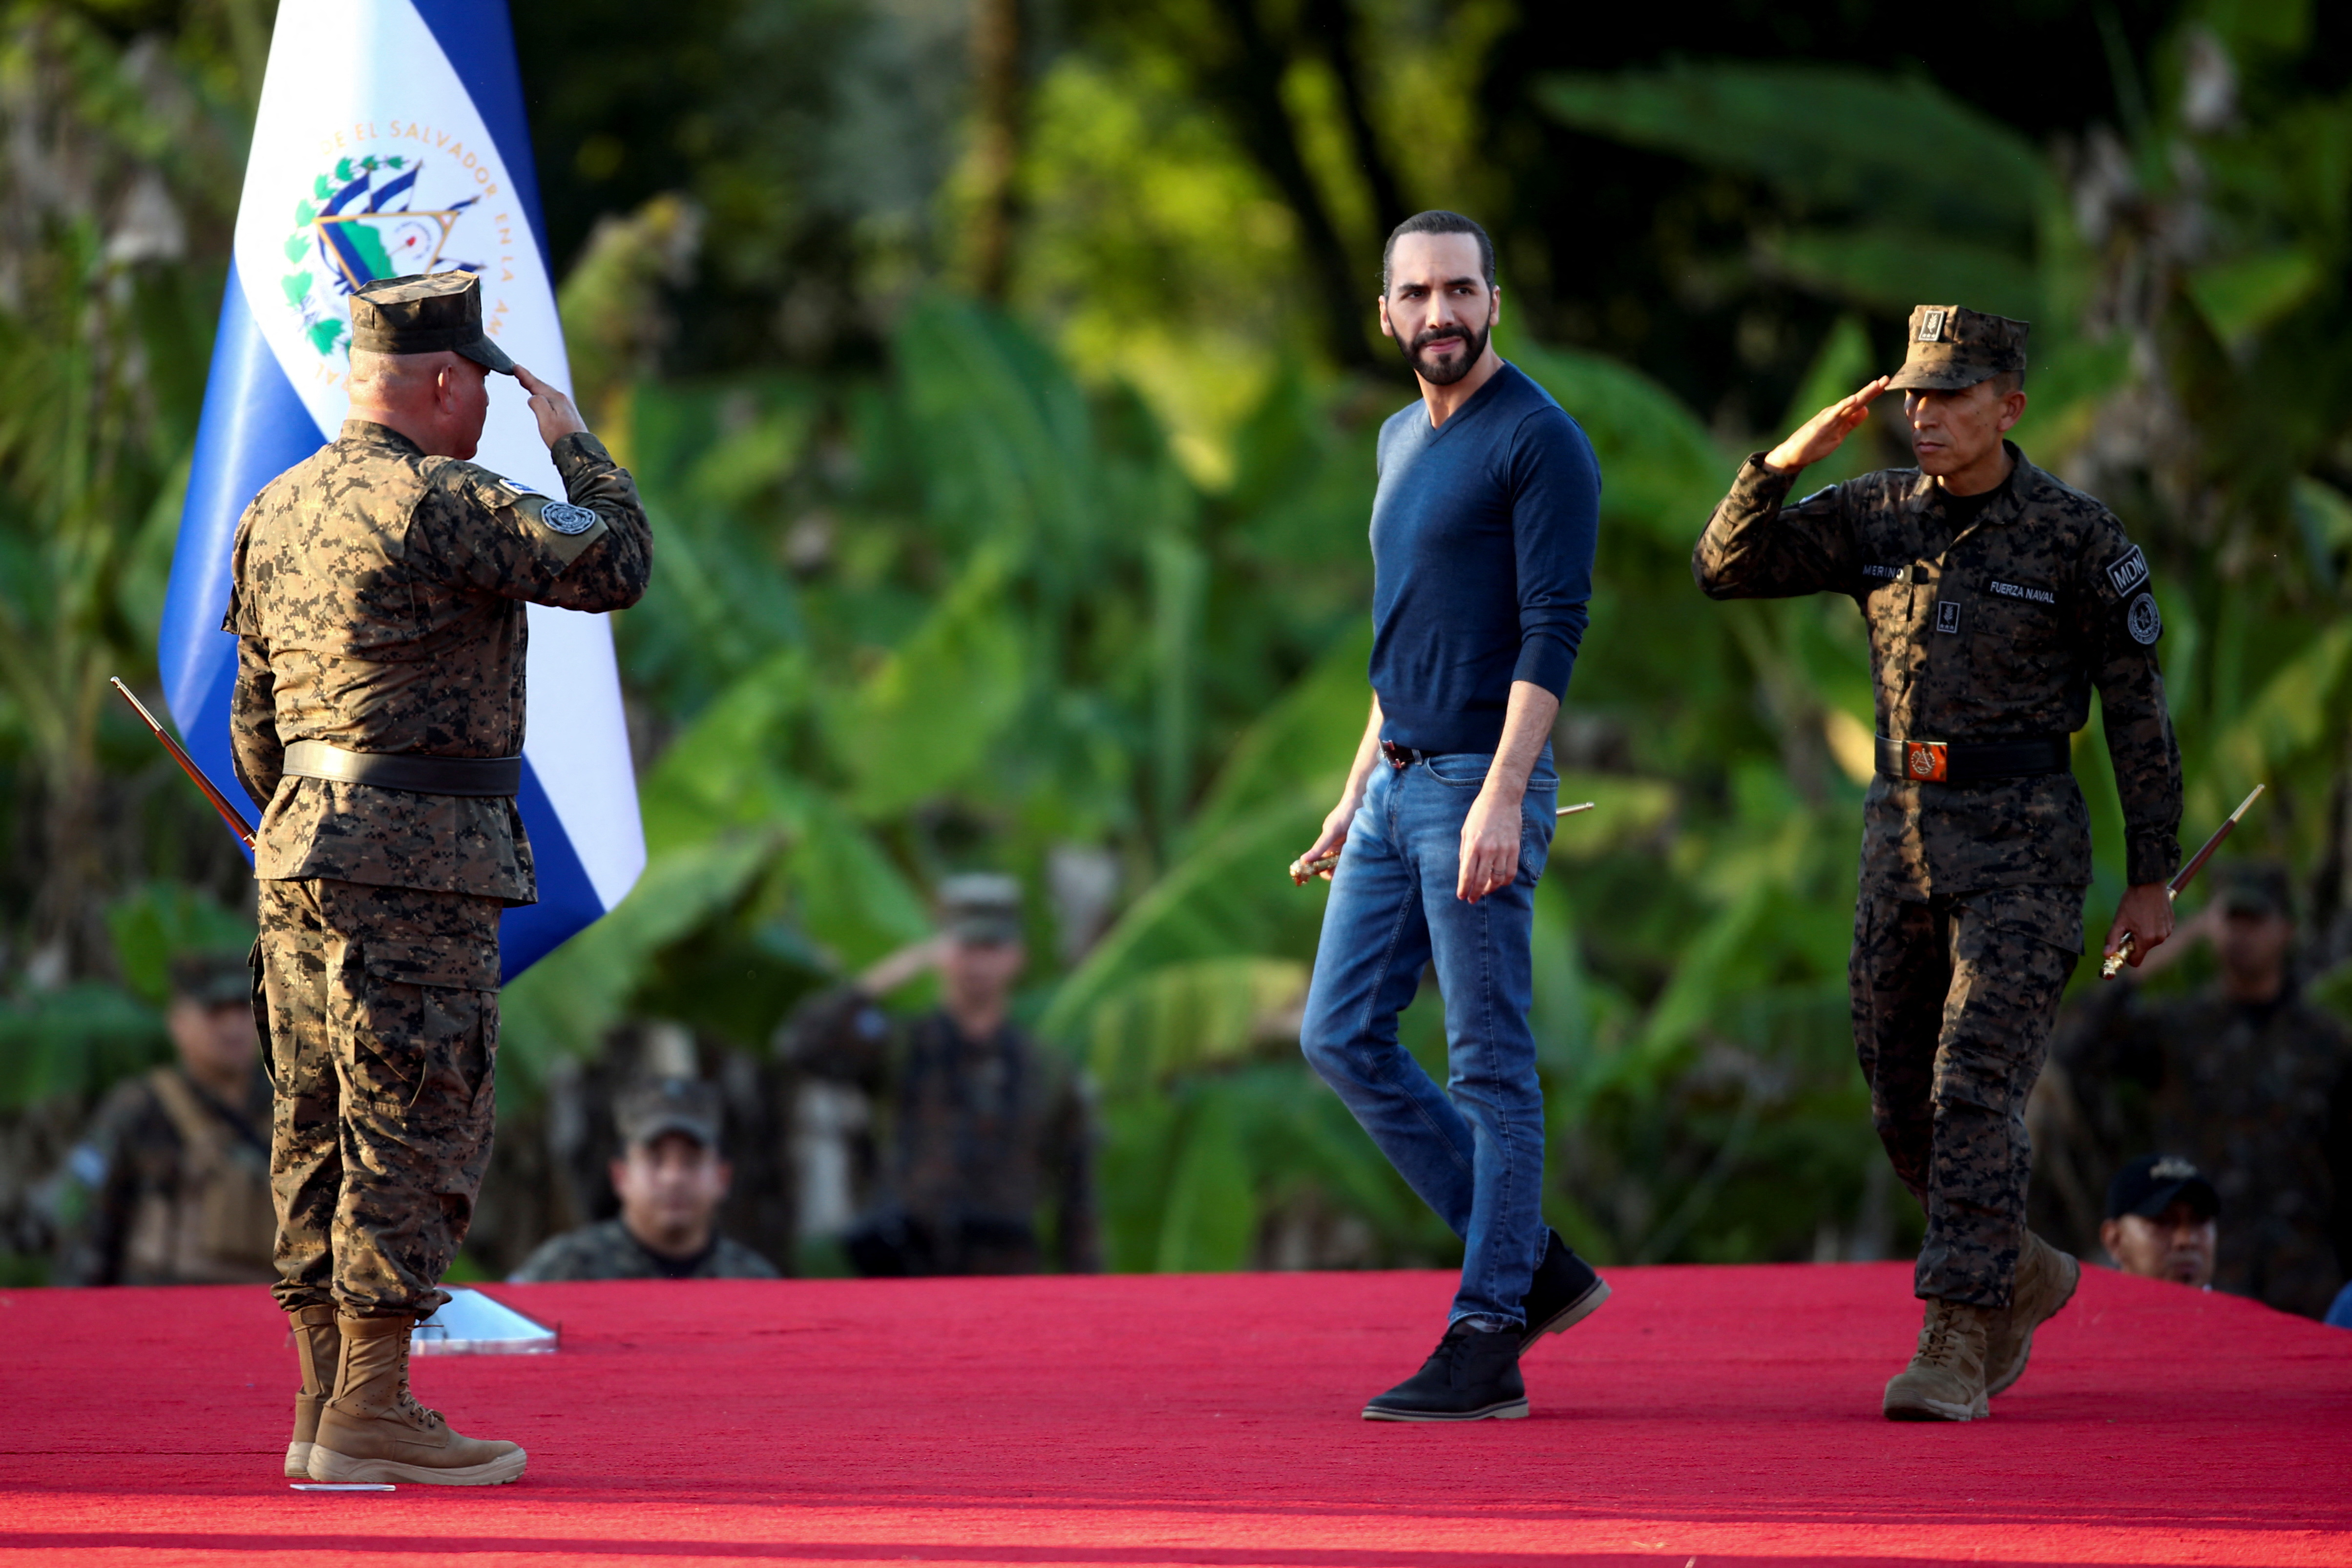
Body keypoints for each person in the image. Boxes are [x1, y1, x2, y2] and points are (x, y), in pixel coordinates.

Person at [1692, 304, 2184, 1422]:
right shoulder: (1872, 516)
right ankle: (2018, 1264)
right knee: (1899, 1098)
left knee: (1974, 1080)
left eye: (1952, 393)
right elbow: (1725, 567)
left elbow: (2138, 714)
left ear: (2009, 405)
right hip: (1900, 828)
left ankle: (1958, 1338)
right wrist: (1782, 462)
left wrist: (2150, 871)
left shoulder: (2078, 537)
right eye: (1914, 392)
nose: (1925, 412)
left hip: (2024, 838)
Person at [227, 272, 652, 1485]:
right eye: (483, 392)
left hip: (300, 853)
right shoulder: (441, 499)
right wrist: (577, 445)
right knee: (414, 1115)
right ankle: (374, 1407)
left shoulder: (278, 507)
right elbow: (614, 560)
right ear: (449, 380)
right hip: (420, 862)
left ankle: (322, 1411)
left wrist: (307, 818)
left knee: (313, 1120)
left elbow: (256, 726)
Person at [1291, 210, 1606, 1424]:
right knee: (1340, 1034)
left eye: (1461, 289)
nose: (1441, 313)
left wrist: (1506, 788)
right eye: (1417, 293)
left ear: (1493, 298)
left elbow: (1551, 630)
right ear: (1386, 312)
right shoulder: (1395, 439)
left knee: (1489, 1061)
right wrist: (1350, 785)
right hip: (1394, 781)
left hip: (1480, 781)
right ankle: (1533, 1261)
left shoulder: (1540, 440)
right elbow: (1400, 639)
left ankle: (1489, 1334)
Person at [2038, 862, 2351, 1317]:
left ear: (2286, 929)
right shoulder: (2177, 1028)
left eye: (2255, 920)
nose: (2240, 934)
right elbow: (2072, 1047)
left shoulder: (2325, 1040)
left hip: (2305, 1276)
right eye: (2230, 919)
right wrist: (2142, 963)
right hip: (2203, 1274)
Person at [778, 874, 1097, 1276]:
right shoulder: (902, 1046)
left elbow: (1078, 1193)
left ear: (1017, 957)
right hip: (908, 1267)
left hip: (1008, 1269)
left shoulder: (1046, 1067)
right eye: (966, 946)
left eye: (991, 947)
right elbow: (802, 1047)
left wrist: (1085, 1285)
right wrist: (875, 984)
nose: (978, 963)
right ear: (942, 952)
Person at [52, 951, 275, 1286]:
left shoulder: (292, 1107)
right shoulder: (140, 1107)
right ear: (178, 1022)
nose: (234, 1026)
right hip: (161, 1307)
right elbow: (86, 1223)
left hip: (267, 1310)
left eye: (245, 1010)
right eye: (215, 1011)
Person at [508, 1078, 778, 1282]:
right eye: (655, 1160)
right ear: (621, 1176)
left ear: (722, 1177)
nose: (673, 1178)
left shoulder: (752, 1279)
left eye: (692, 1161)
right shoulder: (566, 1270)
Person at [2099, 1154, 2219, 1290]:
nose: (2187, 1240)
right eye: (2163, 1222)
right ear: (2115, 1240)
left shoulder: (2241, 1310)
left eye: (2200, 1221)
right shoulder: (2084, 1310)